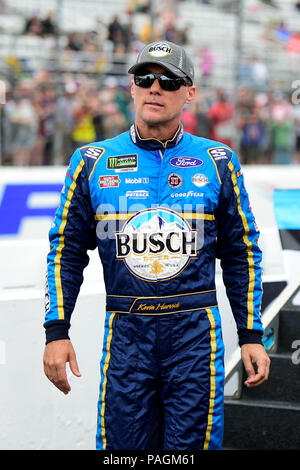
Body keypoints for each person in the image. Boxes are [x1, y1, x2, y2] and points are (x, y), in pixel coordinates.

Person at [43, 40, 270, 450]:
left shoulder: (218, 160)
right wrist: (56, 331)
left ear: (190, 92)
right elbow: (65, 252)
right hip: (126, 332)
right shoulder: (92, 160)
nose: (155, 88)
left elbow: (242, 254)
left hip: (195, 333)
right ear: (131, 86)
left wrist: (251, 334)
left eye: (169, 80)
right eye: (145, 77)